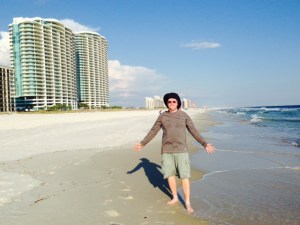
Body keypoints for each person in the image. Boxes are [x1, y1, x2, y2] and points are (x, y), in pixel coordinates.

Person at [133, 92, 215, 214]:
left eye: (174, 101)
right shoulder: (162, 116)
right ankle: (175, 197)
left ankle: (187, 202)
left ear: (178, 103)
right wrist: (142, 143)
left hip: (181, 150)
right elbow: (153, 131)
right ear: (166, 103)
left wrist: (204, 143)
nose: (171, 103)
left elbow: (193, 131)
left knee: (184, 176)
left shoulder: (184, 116)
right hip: (167, 151)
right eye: (169, 101)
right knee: (170, 175)